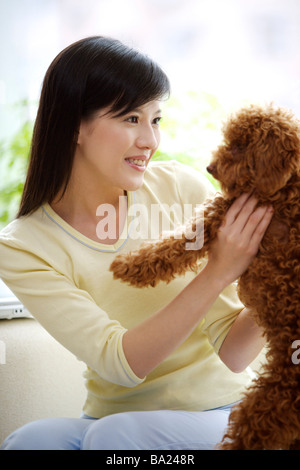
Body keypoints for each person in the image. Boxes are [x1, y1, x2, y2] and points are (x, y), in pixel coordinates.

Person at [0, 36, 273, 450]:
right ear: (74, 124)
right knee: (31, 441)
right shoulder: (24, 245)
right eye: (131, 119)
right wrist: (218, 271)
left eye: (156, 119)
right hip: (109, 422)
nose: (150, 140)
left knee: (118, 437)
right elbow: (120, 364)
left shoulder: (181, 188)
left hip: (220, 414)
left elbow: (234, 353)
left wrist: (283, 287)